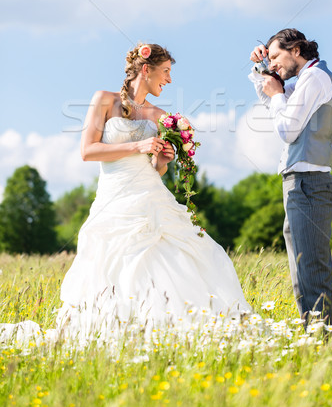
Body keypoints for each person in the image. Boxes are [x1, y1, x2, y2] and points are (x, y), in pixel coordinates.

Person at [53, 42, 251, 338]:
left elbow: (155, 168)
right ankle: (114, 327)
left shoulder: (160, 115)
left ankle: (170, 327)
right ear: (146, 70)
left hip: (152, 196)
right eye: (166, 71)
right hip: (115, 198)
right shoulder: (105, 100)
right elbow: (88, 150)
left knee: (176, 255)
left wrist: (162, 160)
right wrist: (138, 145)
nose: (169, 79)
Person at [249, 29, 332, 325]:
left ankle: (322, 340)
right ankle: (314, 334)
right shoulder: (303, 81)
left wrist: (277, 94)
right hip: (300, 184)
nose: (273, 63)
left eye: (276, 56)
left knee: (311, 269)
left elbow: (287, 129)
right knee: (301, 271)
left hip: (310, 184)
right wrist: (262, 71)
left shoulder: (314, 78)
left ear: (297, 49)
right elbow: (273, 104)